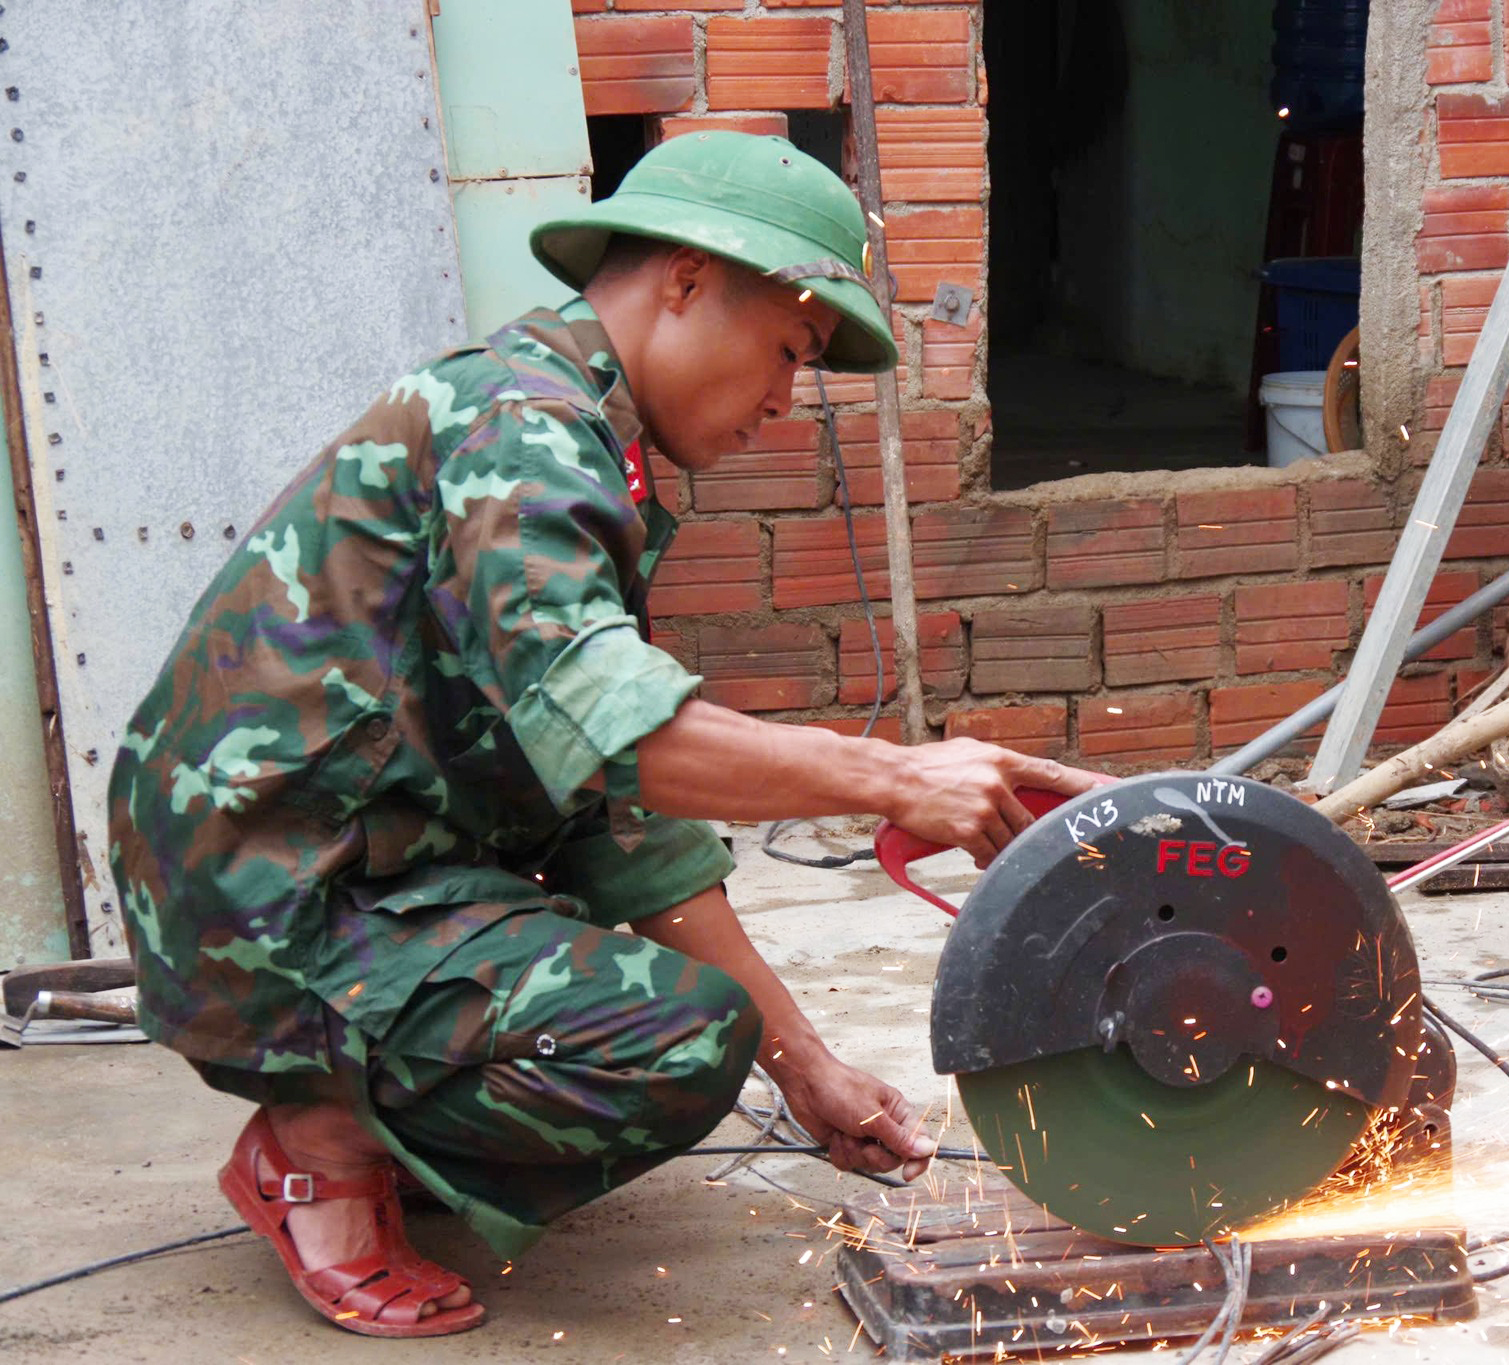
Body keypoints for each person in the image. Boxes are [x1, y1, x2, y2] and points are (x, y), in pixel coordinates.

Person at [107, 131, 1103, 1338]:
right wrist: (892, 777)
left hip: (332, 873)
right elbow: (616, 725)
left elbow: (617, 820)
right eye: (787, 351)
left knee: (690, 1014)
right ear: (683, 280)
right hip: (263, 905)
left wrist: (808, 1070)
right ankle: (315, 1145)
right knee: (664, 1040)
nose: (786, 402)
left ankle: (362, 1099)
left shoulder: (575, 438)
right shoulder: (519, 423)